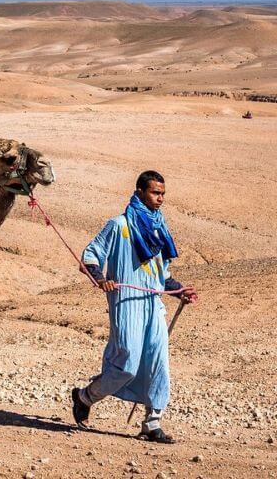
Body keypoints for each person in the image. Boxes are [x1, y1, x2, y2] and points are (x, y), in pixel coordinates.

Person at [71, 170, 198, 444]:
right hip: (126, 302)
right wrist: (101, 278)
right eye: (155, 193)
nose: (160, 199)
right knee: (127, 363)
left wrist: (179, 291)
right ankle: (85, 397)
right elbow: (90, 256)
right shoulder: (119, 226)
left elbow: (161, 275)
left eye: (163, 193)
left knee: (158, 362)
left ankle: (152, 424)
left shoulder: (158, 228)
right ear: (140, 191)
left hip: (154, 302)